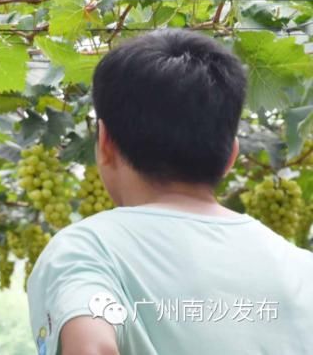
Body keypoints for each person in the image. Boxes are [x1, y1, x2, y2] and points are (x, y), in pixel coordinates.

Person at [26, 29, 313, 355]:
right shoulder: (302, 267)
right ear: (231, 156)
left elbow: (89, 348)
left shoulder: (87, 250)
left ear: (105, 143)